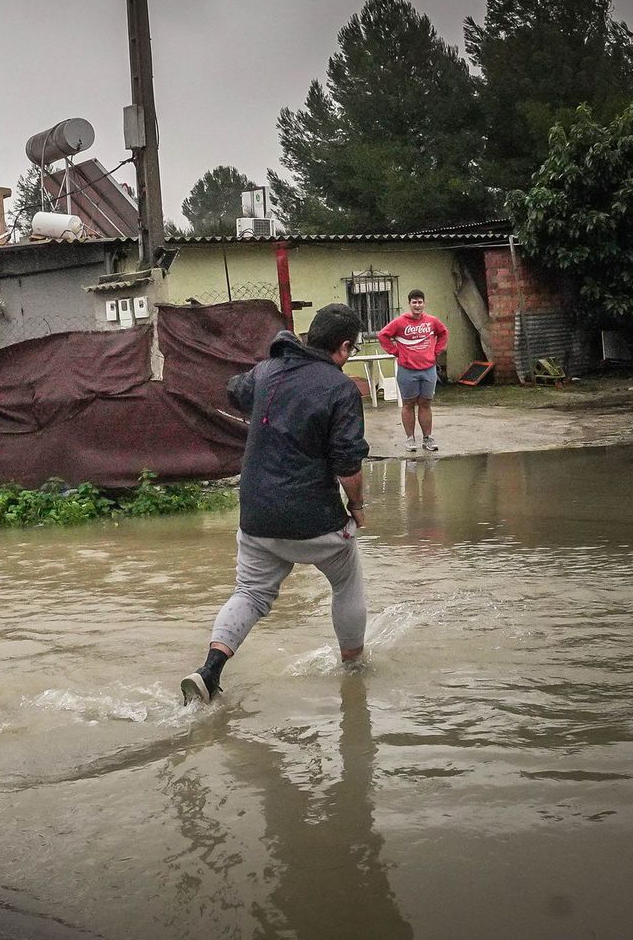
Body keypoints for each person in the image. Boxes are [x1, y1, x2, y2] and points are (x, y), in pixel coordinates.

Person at [181, 304, 371, 705]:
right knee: (346, 577)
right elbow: (348, 464)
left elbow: (236, 390)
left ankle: (209, 672)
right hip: (315, 520)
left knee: (249, 592)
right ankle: (354, 669)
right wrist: (358, 506)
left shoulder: (267, 371)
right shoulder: (340, 389)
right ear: (343, 347)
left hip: (257, 517)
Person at [377, 290, 449, 453]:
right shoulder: (400, 322)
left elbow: (443, 333)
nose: (417, 305)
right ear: (409, 304)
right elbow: (383, 336)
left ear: (424, 303)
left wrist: (436, 351)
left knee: (425, 404)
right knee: (408, 404)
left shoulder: (432, 321)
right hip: (407, 371)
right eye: (414, 302)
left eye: (420, 302)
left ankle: (427, 438)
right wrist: (396, 352)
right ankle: (410, 439)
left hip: (428, 370)